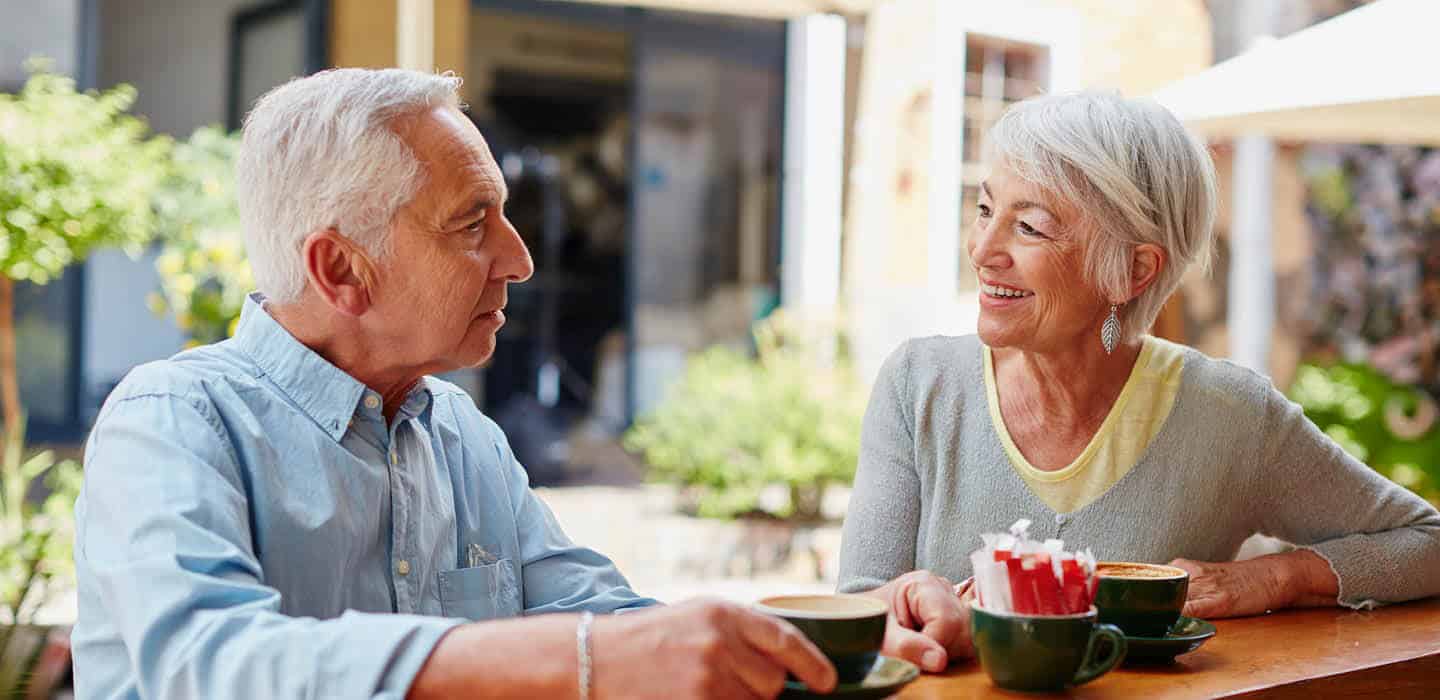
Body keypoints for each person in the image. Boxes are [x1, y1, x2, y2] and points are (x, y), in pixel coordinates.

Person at [72, 68, 836, 700]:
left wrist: (846, 650)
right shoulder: (175, 420)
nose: (520, 259)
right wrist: (584, 660)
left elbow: (619, 626)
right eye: (473, 224)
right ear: (341, 268)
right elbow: (208, 664)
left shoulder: (461, 432)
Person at [836, 91, 1440, 672]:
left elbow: (1427, 541)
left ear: (1131, 270)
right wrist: (908, 596)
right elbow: (858, 608)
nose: (983, 250)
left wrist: (1272, 578)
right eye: (986, 210)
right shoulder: (918, 385)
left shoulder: (1229, 414)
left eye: (1031, 228)